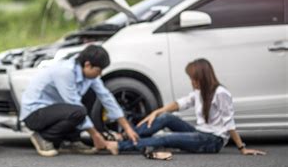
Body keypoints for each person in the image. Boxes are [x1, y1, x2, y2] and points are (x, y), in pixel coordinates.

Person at [106, 58, 266, 159]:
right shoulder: (200, 91)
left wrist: (242, 148)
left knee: (166, 138)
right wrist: (157, 112)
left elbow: (229, 123)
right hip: (200, 133)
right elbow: (180, 104)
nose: (191, 82)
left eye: (193, 79)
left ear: (201, 78)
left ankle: (119, 146)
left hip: (212, 141)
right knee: (165, 118)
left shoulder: (220, 93)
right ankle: (124, 136)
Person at [20, 45, 139, 157]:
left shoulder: (89, 76)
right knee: (79, 111)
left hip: (54, 111)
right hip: (34, 114)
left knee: (90, 94)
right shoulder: (64, 72)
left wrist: (127, 128)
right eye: (99, 70)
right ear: (88, 65)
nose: (100, 74)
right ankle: (43, 137)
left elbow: (106, 97)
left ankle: (70, 141)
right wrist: (95, 135)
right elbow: (74, 104)